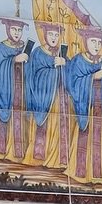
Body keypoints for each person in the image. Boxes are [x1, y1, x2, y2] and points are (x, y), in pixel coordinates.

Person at [66, 32, 102, 186]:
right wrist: (93, 77)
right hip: (86, 110)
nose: (96, 45)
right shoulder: (78, 61)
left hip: (100, 112)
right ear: (85, 41)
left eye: (99, 42)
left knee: (100, 143)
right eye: (93, 41)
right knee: (85, 141)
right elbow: (72, 84)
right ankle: (80, 173)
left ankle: (100, 175)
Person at [26, 22, 74, 173]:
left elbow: (72, 75)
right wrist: (53, 70)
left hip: (61, 100)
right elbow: (33, 75)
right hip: (44, 99)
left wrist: (65, 64)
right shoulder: (37, 53)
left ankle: (59, 158)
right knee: (44, 126)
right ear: (44, 35)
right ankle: (40, 157)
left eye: (56, 35)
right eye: (51, 34)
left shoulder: (63, 53)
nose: (54, 38)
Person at [0, 16, 33, 164]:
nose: (16, 33)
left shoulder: (24, 48)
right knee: (7, 120)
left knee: (23, 120)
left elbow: (31, 72)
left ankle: (22, 152)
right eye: (14, 29)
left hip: (23, 94)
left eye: (19, 30)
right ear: (8, 29)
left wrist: (27, 61)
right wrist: (13, 61)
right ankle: (4, 153)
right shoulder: (0, 48)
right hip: (8, 93)